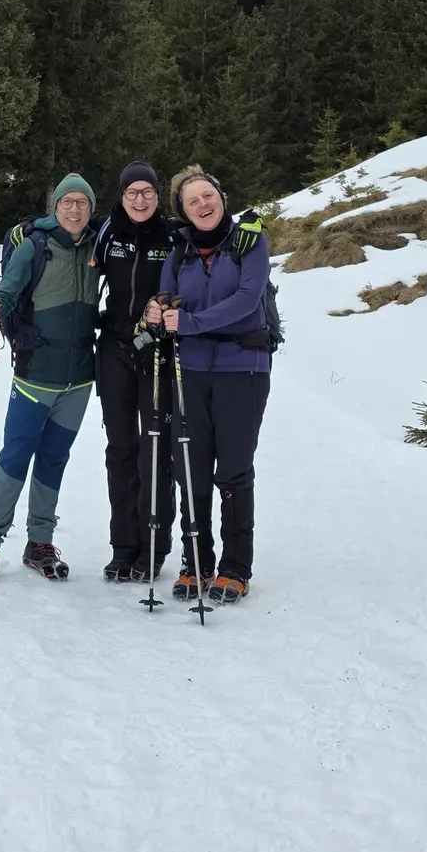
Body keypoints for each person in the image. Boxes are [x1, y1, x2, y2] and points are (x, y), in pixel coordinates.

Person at [0, 173, 101, 583]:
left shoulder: (95, 247)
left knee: (54, 459)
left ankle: (40, 542)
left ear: (91, 209)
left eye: (82, 203)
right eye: (67, 202)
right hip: (35, 375)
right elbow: (6, 294)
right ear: (55, 206)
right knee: (15, 457)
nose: (74, 209)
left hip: (79, 379)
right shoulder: (34, 246)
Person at [145, 168, 272, 605]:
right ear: (183, 211)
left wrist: (192, 323)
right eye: (192, 200)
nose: (203, 204)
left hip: (243, 367)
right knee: (191, 466)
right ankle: (195, 560)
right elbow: (165, 296)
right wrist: (157, 312)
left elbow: (247, 300)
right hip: (191, 370)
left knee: (234, 468)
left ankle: (235, 568)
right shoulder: (178, 250)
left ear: (221, 196)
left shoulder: (249, 242)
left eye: (208, 195)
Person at [90, 162, 177, 583]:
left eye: (147, 192)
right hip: (114, 349)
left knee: (155, 452)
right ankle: (123, 546)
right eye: (131, 193)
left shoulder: (174, 234)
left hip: (158, 351)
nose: (139, 200)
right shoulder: (107, 232)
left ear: (157, 195)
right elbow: (65, 232)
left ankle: (154, 547)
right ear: (121, 196)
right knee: (120, 449)